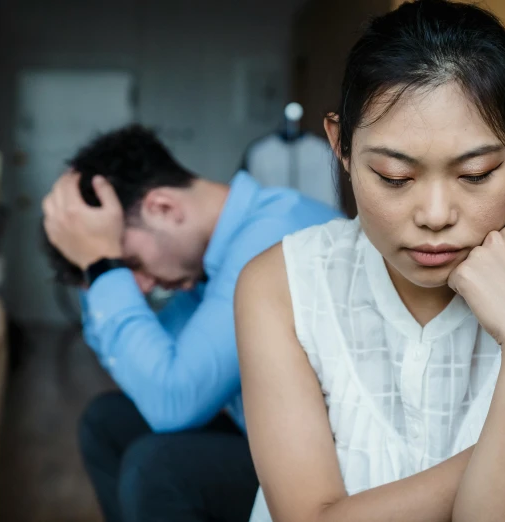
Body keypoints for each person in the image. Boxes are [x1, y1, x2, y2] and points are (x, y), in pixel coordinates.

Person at [235, 2, 505, 522]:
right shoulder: (282, 285)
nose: (435, 215)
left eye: (475, 173)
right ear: (340, 145)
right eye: (394, 176)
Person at [41, 124, 340, 522]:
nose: (139, 287)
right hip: (266, 435)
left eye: (128, 263)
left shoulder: (273, 233)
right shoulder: (197, 266)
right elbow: (147, 375)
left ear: (163, 208)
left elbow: (173, 400)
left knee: (159, 469)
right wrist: (93, 272)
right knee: (107, 422)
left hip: (327, 466)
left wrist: (102, 268)